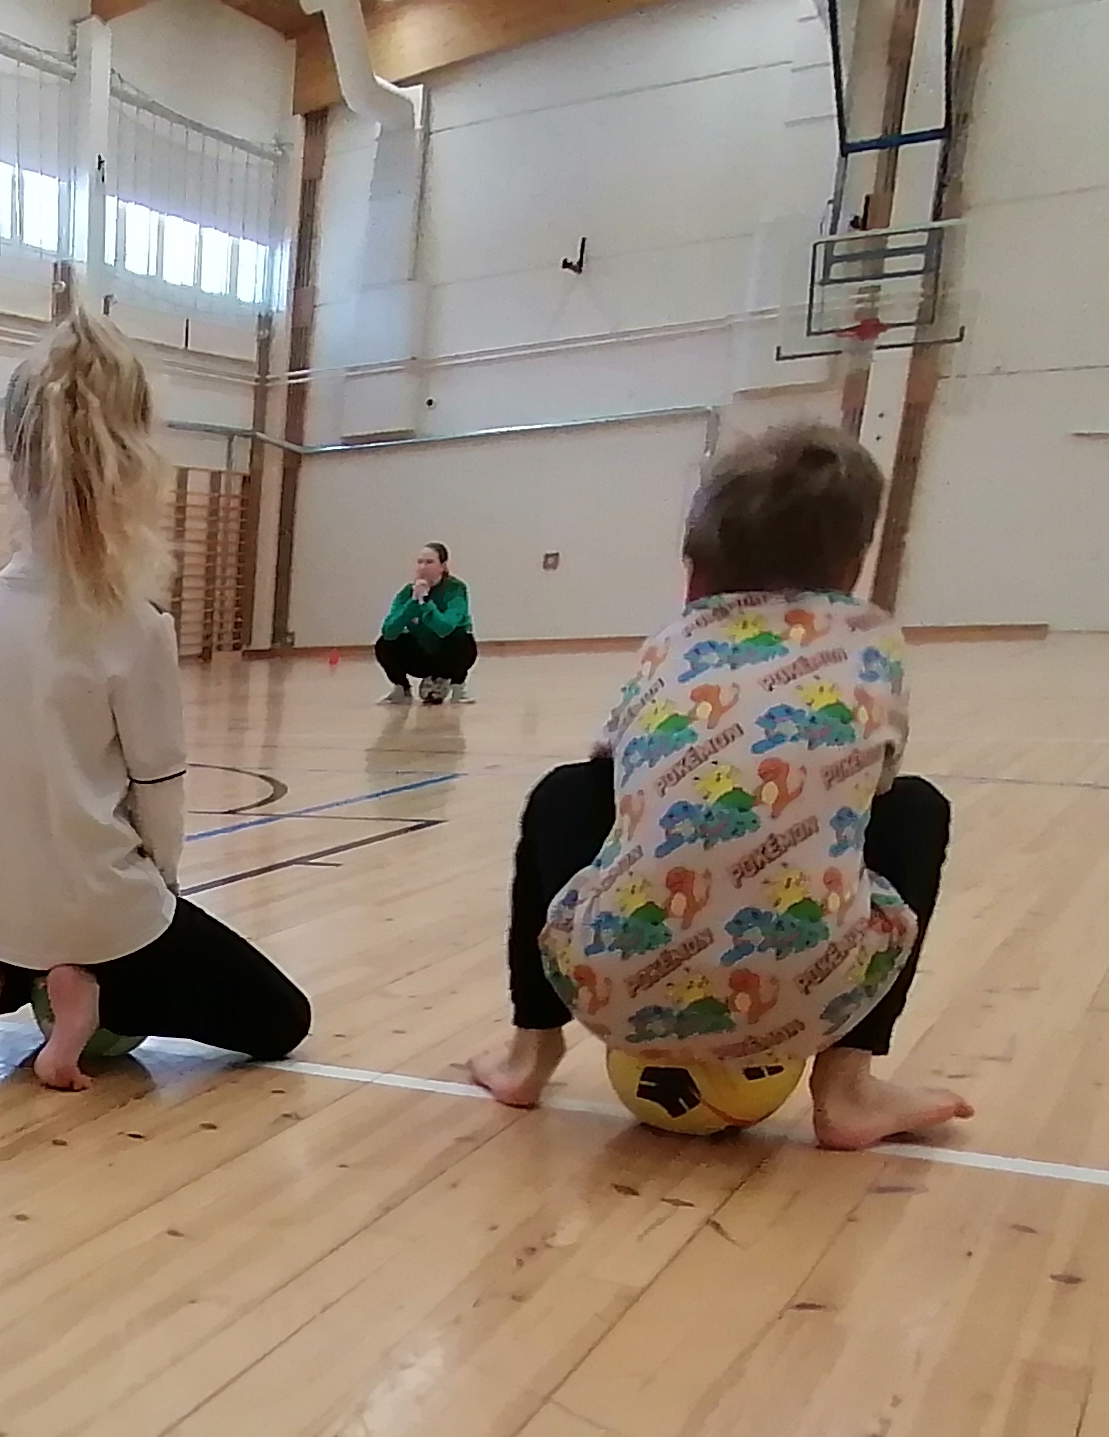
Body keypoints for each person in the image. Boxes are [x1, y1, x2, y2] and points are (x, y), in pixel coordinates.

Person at [459, 422, 972, 1152]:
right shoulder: (873, 644)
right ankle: (847, 1088)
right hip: (814, 994)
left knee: (565, 791)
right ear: (855, 562)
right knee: (913, 808)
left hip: (607, 990)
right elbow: (873, 786)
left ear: (695, 565)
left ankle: (528, 1054)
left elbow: (612, 766)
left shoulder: (673, 642)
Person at [0, 312, 311, 1091]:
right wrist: (163, 892)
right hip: (105, 918)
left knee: (62, 924)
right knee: (281, 1019)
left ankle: (6, 978)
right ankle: (84, 992)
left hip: (5, 916)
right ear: (134, 465)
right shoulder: (133, 625)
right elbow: (159, 793)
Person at [375, 543, 476, 705]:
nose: (423, 567)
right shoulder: (407, 592)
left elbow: (445, 628)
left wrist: (426, 603)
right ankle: (401, 688)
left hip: (446, 653)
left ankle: (458, 686)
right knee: (385, 644)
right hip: (420, 653)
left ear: (442, 566)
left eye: (429, 562)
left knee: (460, 639)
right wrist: (414, 602)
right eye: (420, 562)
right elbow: (388, 630)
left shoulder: (456, 589)